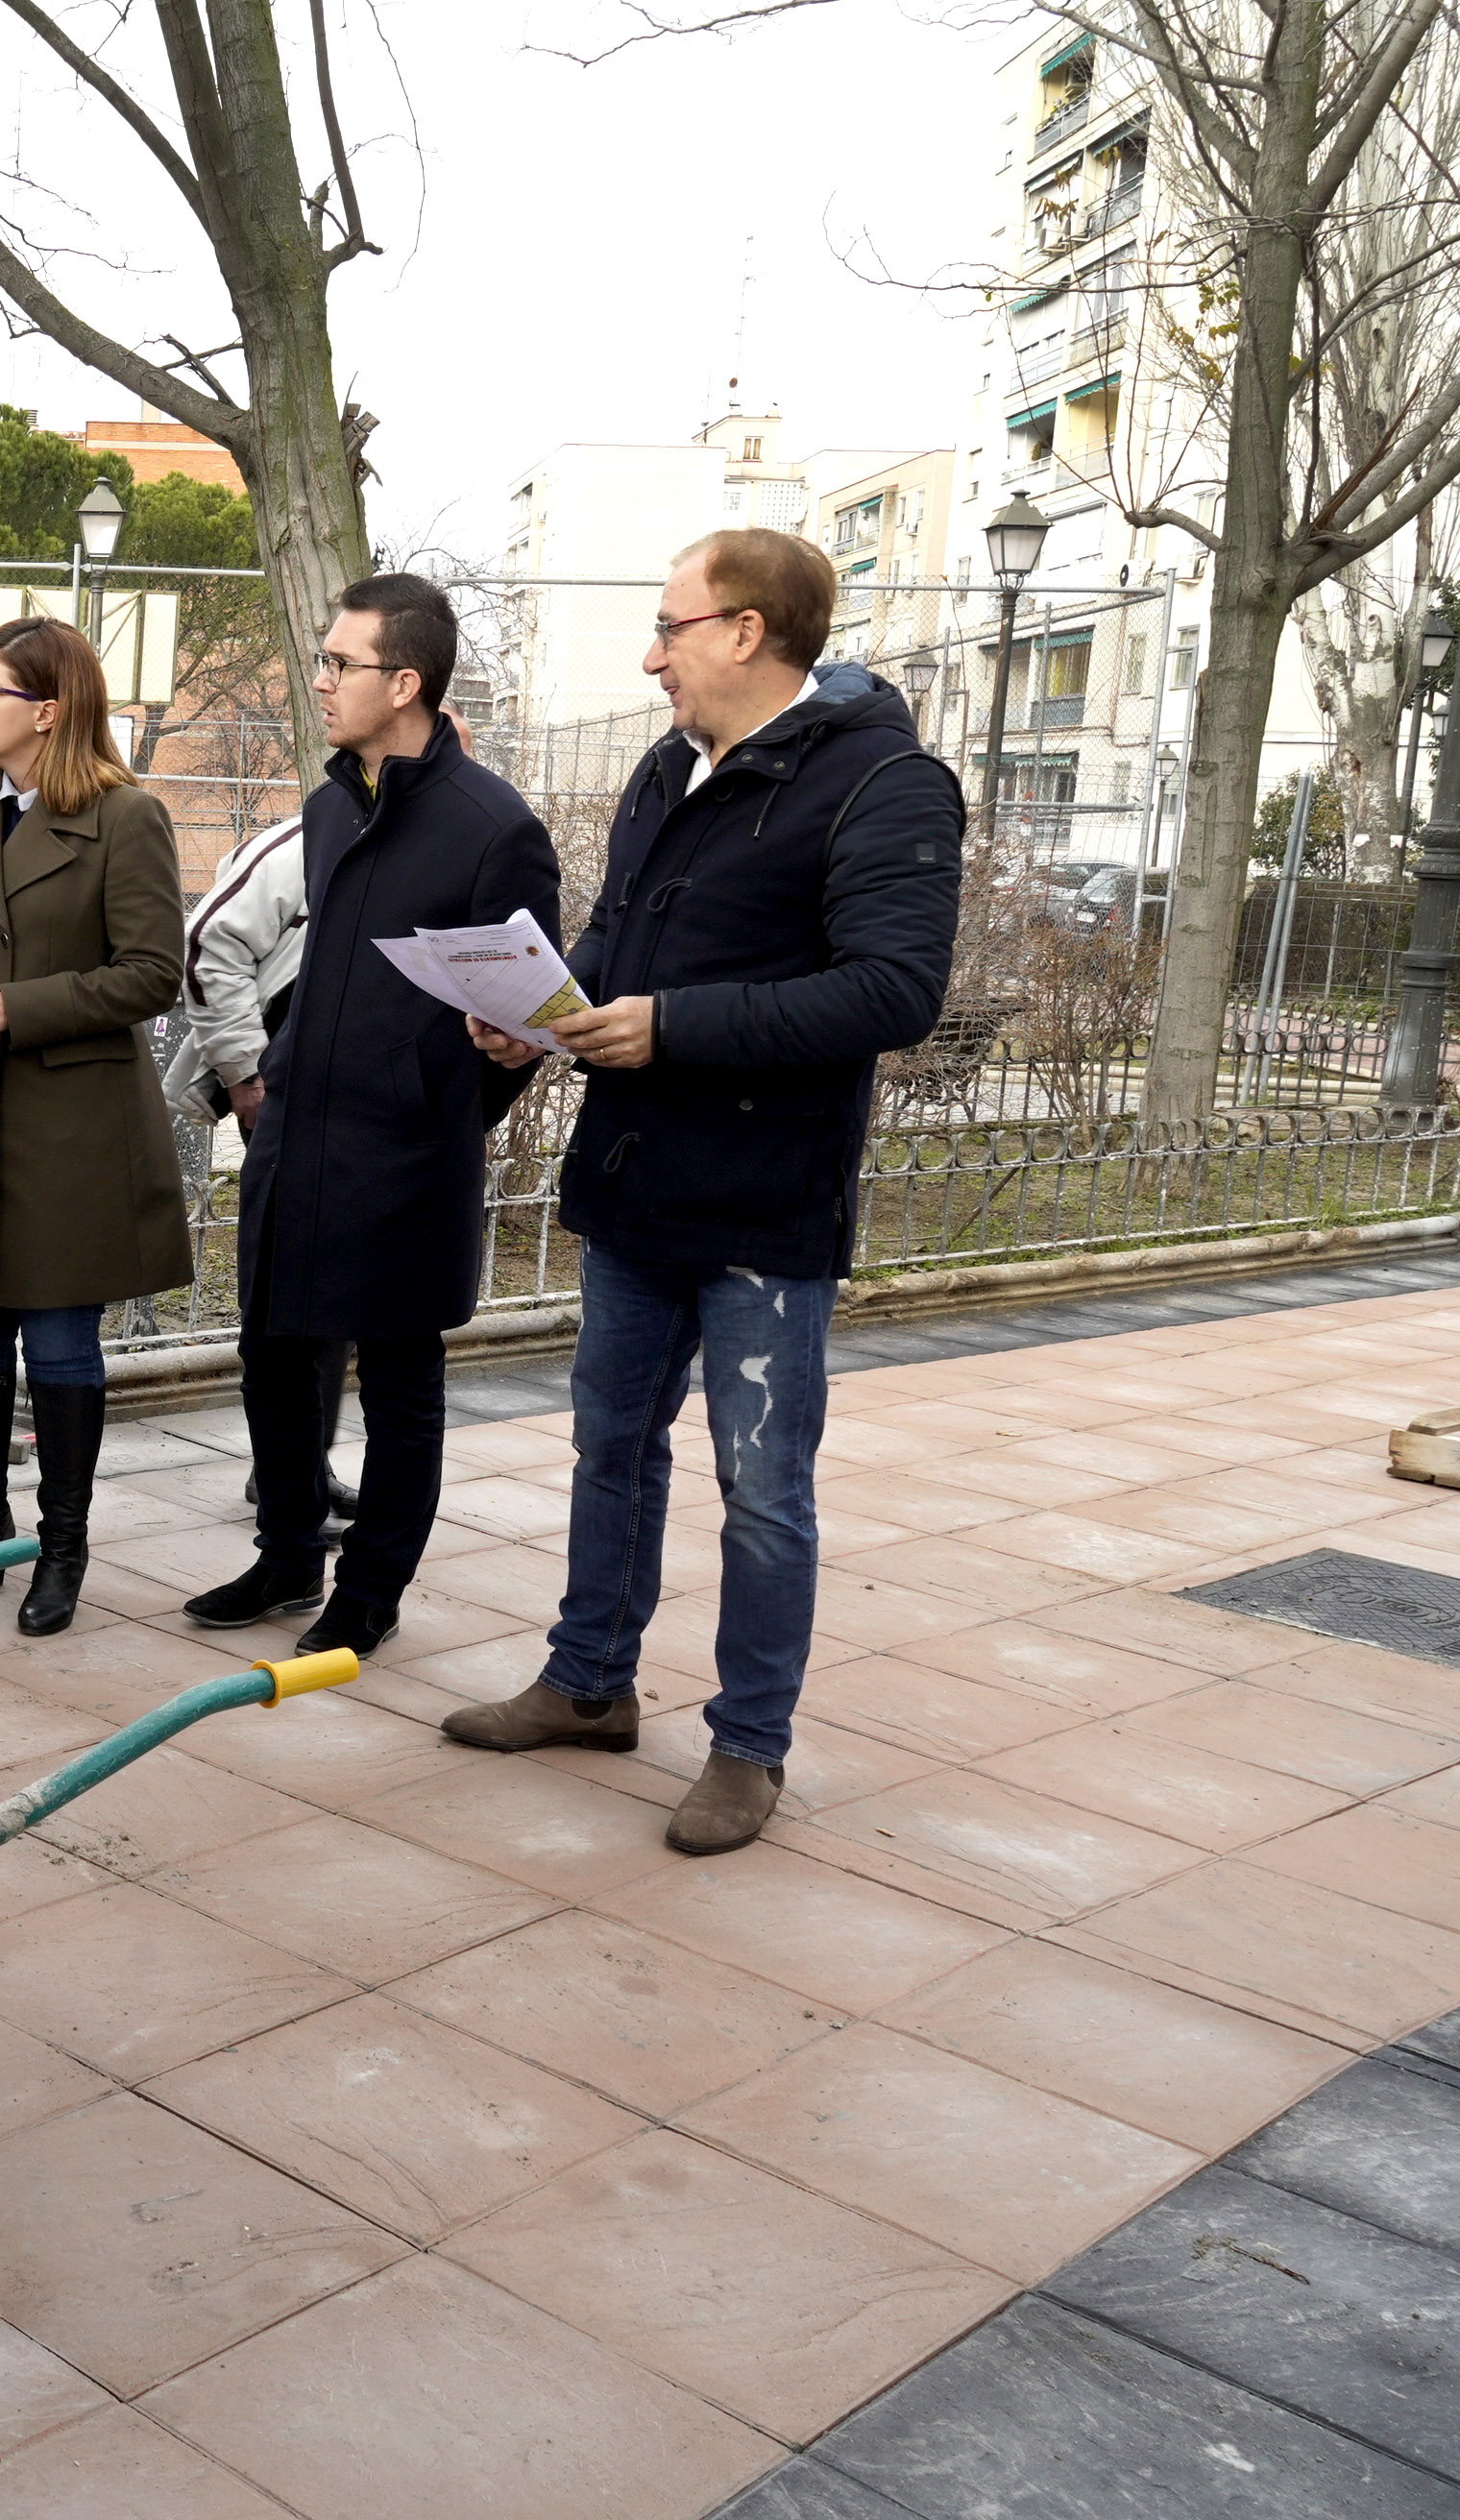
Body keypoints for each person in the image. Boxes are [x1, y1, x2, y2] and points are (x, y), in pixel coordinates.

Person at [446, 527, 963, 1855]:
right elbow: (621, 937)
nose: (650, 653)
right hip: (634, 1184)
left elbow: (892, 994)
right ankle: (587, 1683)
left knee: (763, 1487)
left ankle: (748, 1748)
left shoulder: (888, 784)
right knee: (608, 1446)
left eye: (670, 627)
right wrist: (544, 1010)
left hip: (765, 1211)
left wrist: (672, 1026)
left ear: (745, 632)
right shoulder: (664, 768)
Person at [182, 575, 562, 1658]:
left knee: (398, 1381)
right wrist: (272, 1081)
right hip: (297, 1137)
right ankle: (288, 1549)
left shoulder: (497, 830)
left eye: (340, 662)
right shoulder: (329, 800)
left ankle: (371, 1588)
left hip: (406, 1156)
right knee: (273, 1358)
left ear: (405, 681)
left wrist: (450, 1093)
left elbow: (529, 1013)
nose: (322, 679)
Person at [0, 615, 189, 1636]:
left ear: (49, 709)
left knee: (60, 1344)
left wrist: (18, 1004)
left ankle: (60, 1552)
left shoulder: (126, 817)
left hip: (71, 1125)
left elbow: (153, 973)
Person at [161, 809, 359, 1534]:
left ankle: (302, 1464)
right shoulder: (303, 841)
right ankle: (287, 1475)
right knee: (283, 1295)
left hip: (366, 1108)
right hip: (283, 1093)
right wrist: (245, 1072)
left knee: (333, 1299)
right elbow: (210, 944)